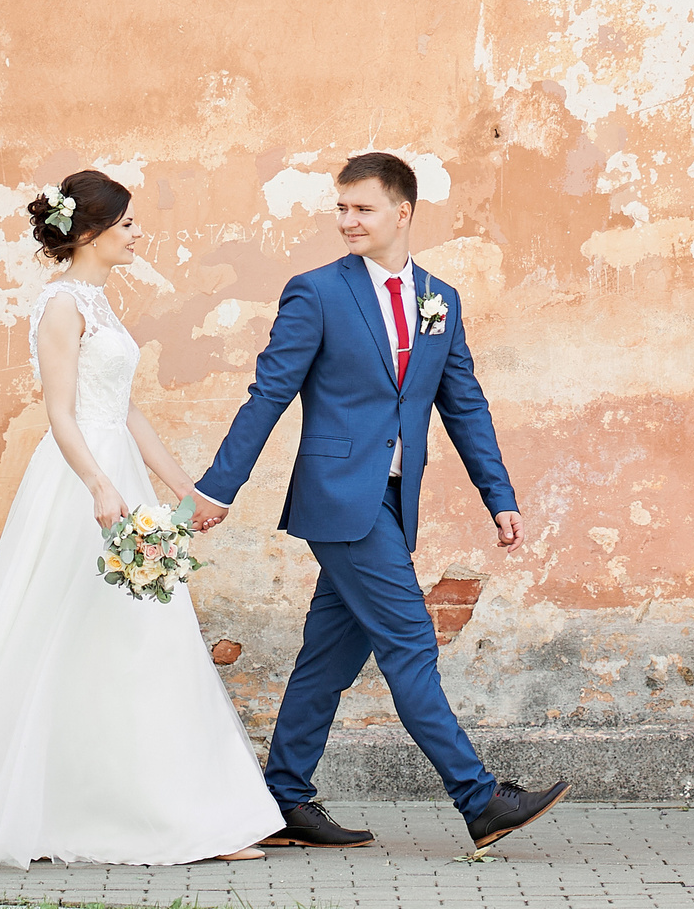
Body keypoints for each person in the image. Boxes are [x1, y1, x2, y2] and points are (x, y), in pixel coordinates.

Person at [0, 169, 281, 870]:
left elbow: (126, 409)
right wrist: (97, 486)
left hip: (122, 474)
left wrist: (188, 490)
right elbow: (60, 412)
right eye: (128, 225)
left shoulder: (103, 305)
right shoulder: (60, 306)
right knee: (49, 630)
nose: (138, 235)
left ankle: (187, 815)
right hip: (81, 482)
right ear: (88, 233)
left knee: (141, 634)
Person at [192, 151, 569, 852]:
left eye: (361, 209)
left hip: (396, 503)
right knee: (408, 642)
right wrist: (220, 485)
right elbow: (269, 393)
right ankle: (480, 797)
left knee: (327, 660)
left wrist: (499, 495)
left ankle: (283, 801)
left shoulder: (439, 299)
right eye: (341, 208)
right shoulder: (315, 293)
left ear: (402, 212)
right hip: (338, 498)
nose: (347, 221)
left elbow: (464, 404)